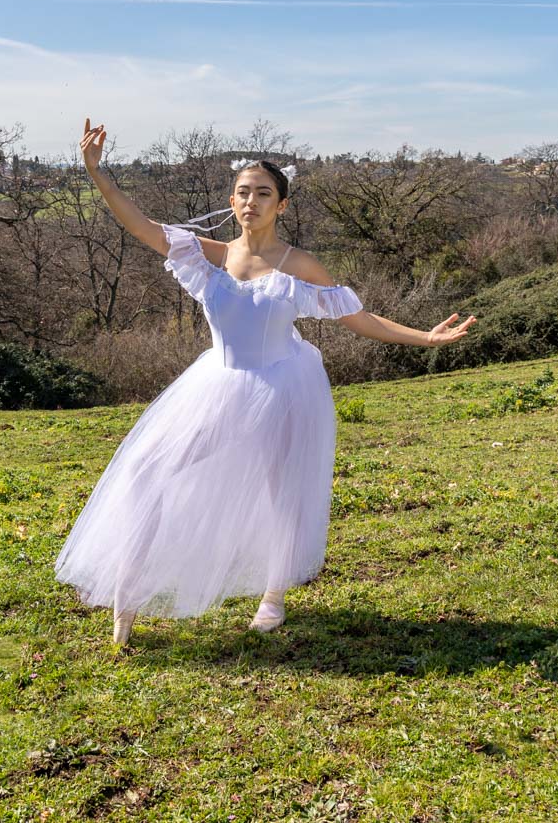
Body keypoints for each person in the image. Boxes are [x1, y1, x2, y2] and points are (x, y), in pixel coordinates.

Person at [54, 118, 476, 645]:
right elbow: (140, 226)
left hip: (282, 386)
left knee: (281, 494)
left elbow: (358, 318)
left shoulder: (299, 265)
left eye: (263, 193)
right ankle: (128, 594)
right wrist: (98, 173)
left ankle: (272, 597)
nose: (250, 201)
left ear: (282, 204)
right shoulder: (209, 254)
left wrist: (425, 338)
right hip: (216, 385)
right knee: (145, 473)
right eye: (242, 192)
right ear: (231, 201)